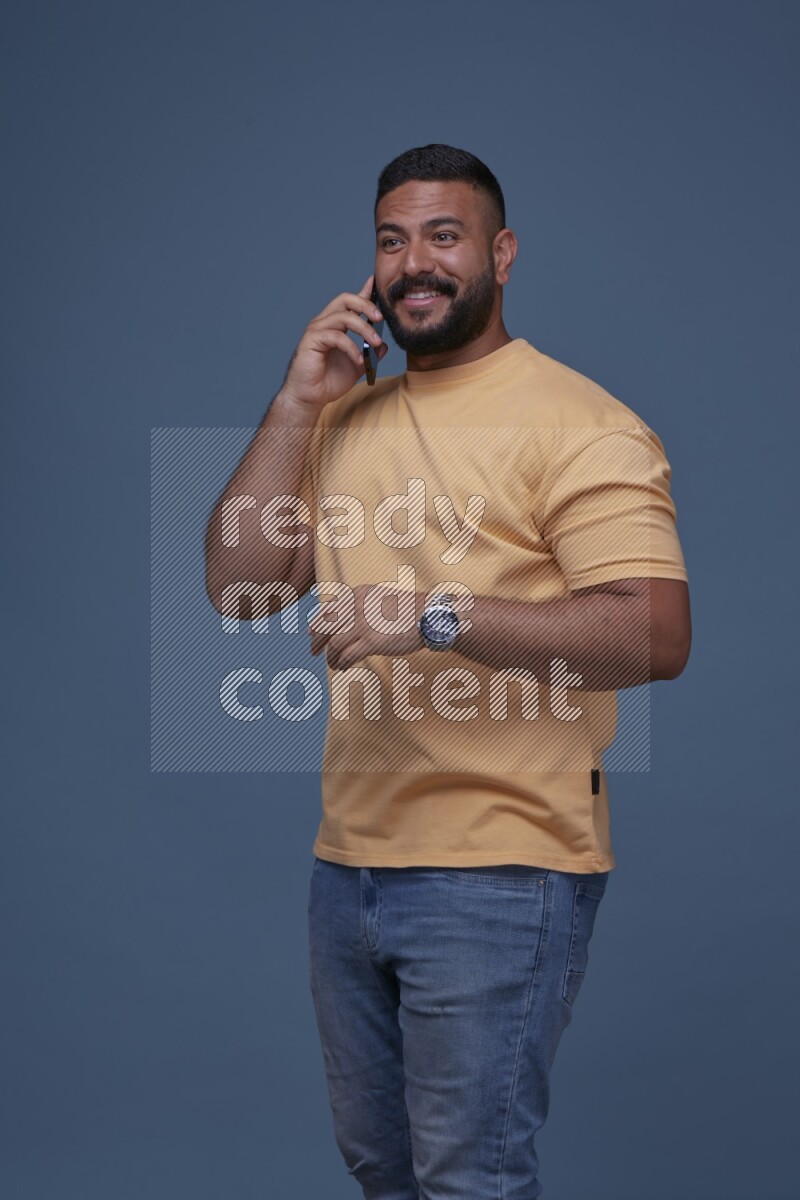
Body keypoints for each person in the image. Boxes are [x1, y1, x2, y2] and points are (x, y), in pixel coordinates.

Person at [205, 144, 691, 1199]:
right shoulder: (345, 417)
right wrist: (296, 404)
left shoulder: (582, 424)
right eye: (390, 240)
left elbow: (654, 635)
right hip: (349, 867)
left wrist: (434, 615)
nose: (412, 262)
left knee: (468, 1181)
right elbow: (241, 589)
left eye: (442, 236)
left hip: (503, 871)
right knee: (387, 1175)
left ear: (499, 253)